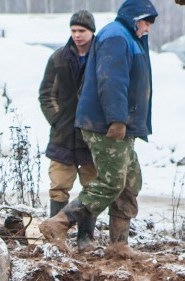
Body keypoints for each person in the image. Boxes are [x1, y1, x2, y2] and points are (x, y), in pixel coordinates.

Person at [40, 0, 157, 259]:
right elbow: (111, 81)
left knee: (129, 181)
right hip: (107, 126)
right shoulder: (116, 37)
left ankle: (118, 243)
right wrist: (116, 119)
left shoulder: (128, 37)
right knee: (111, 181)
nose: (148, 27)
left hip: (123, 127)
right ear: (135, 17)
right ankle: (57, 224)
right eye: (146, 21)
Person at [39, 11, 98, 252]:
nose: (77, 36)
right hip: (63, 135)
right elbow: (46, 94)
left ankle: (86, 237)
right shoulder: (58, 58)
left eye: (81, 31)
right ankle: (56, 235)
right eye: (73, 31)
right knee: (59, 185)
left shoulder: (99, 57)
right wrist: (57, 119)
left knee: (92, 186)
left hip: (91, 136)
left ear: (91, 31)